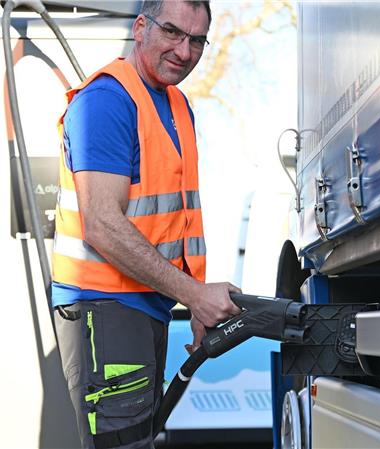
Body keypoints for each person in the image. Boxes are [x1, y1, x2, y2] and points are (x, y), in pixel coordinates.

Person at [51, 1, 240, 447]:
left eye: (196, 40)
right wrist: (194, 294)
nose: (184, 50)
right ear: (140, 27)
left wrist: (196, 300)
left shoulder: (176, 105)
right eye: (173, 32)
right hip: (105, 311)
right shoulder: (106, 101)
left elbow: (178, 222)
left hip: (144, 309)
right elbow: (102, 224)